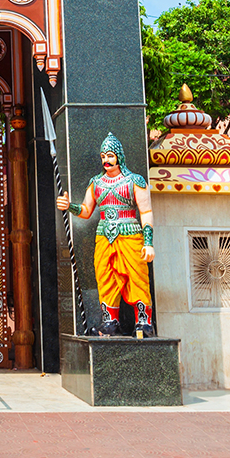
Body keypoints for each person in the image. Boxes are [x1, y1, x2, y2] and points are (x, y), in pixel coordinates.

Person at [57, 132, 155, 336]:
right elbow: (85, 210)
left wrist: (148, 243)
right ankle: (110, 323)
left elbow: (146, 212)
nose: (106, 161)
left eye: (110, 155)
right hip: (103, 235)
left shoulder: (134, 181)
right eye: (103, 157)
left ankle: (143, 322)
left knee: (136, 276)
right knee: (104, 276)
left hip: (129, 233)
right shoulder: (96, 183)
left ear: (119, 156)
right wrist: (69, 206)